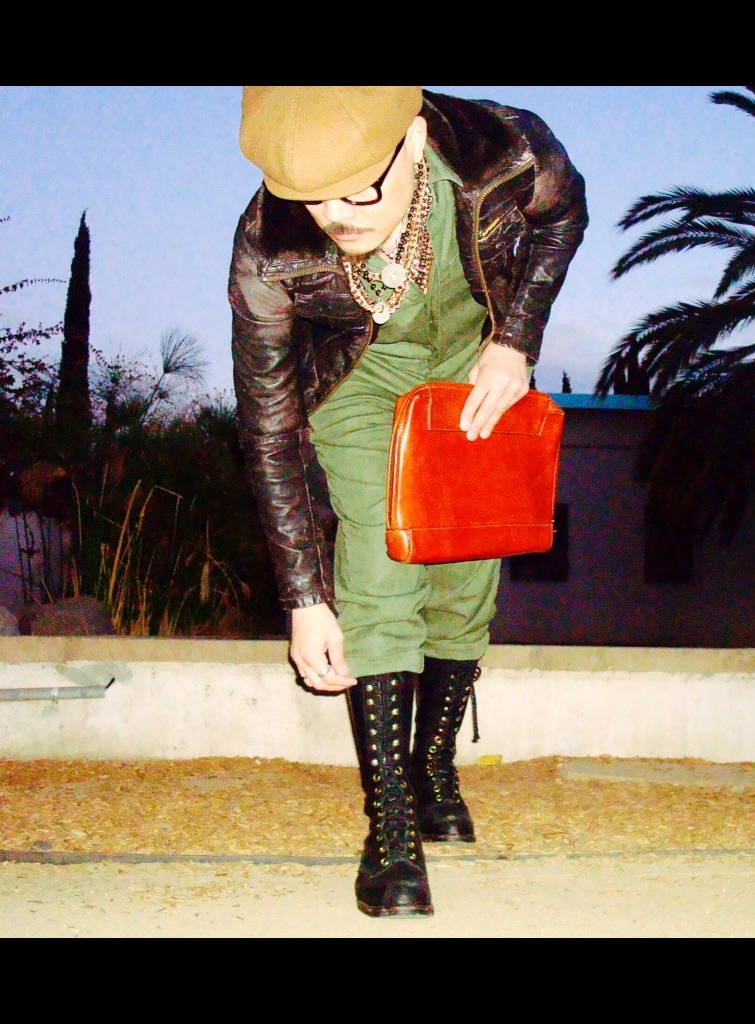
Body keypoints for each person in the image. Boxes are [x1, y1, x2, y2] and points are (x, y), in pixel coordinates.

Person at [229, 86, 587, 917]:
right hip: (360, 381)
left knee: (466, 572)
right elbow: (269, 429)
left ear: (414, 138)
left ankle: (433, 767)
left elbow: (564, 217)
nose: (333, 217)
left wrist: (516, 340)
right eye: (310, 198)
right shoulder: (267, 250)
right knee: (385, 560)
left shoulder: (505, 150)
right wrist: (305, 599)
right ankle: (391, 829)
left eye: (357, 192)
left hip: (473, 363)